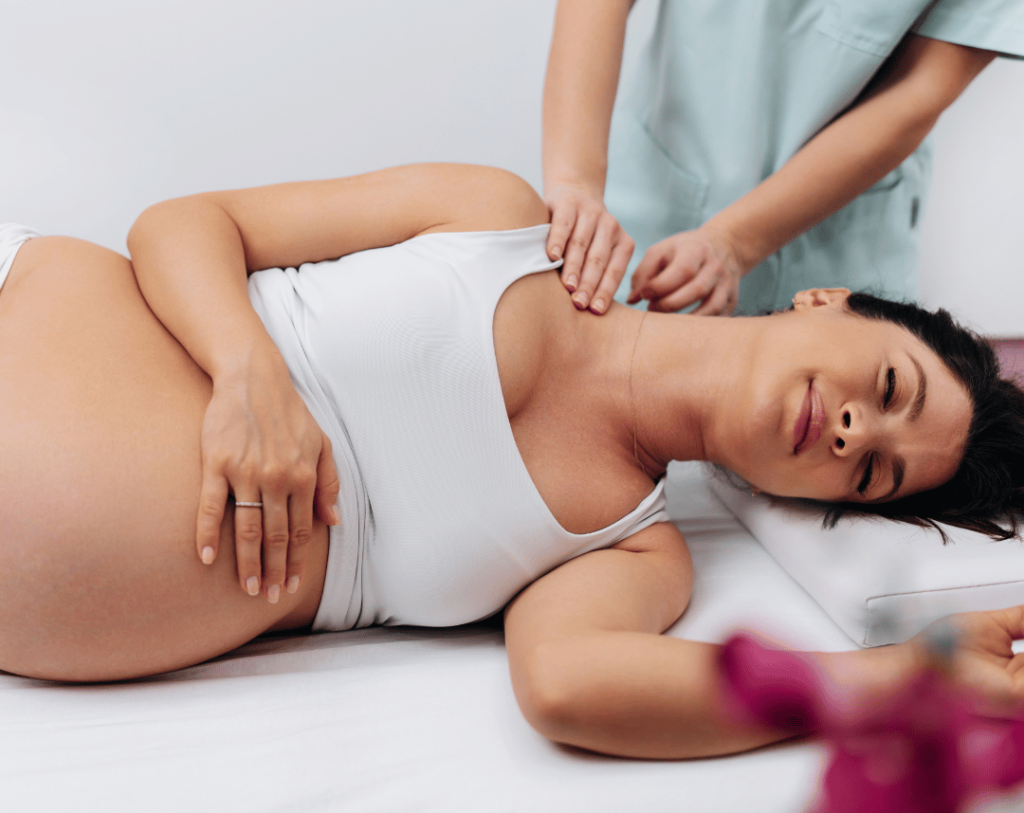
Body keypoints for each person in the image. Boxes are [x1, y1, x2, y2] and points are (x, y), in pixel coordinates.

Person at [1, 163, 1023, 760]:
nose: (854, 435)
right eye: (888, 390)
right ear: (828, 300)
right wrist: (246, 372)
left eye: (872, 474)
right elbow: (182, 223)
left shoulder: (632, 552)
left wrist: (903, 674)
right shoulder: (499, 222)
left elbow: (569, 686)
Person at [542, 0, 1024, 319]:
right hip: (647, 206)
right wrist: (576, 183)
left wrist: (733, 240)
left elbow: (922, 89)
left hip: (831, 268)